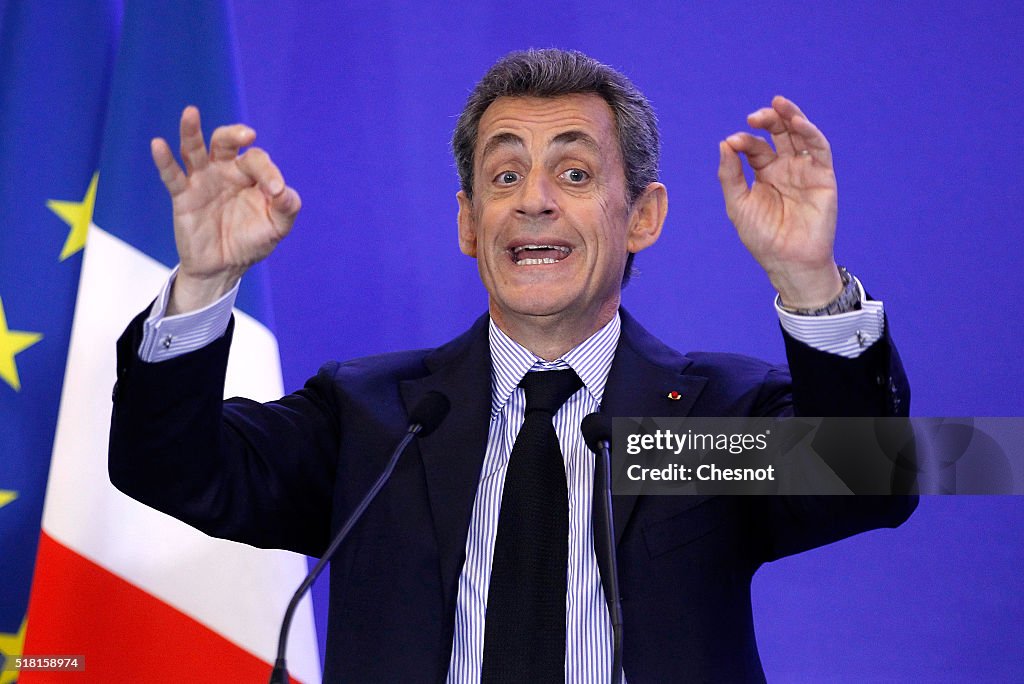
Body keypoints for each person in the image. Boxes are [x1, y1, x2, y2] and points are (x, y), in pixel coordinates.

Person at [109, 49, 914, 682]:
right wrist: (204, 281)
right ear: (469, 222)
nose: (534, 200)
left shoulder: (696, 427)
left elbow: (872, 480)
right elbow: (170, 467)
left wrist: (808, 278)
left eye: (574, 173)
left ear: (643, 216)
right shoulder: (377, 421)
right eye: (504, 175)